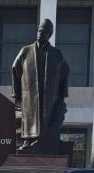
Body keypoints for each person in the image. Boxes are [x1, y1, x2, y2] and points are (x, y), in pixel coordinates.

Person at [11, 19, 70, 155]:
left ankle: (43, 142)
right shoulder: (26, 51)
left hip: (49, 96)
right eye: (39, 29)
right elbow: (15, 68)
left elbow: (65, 71)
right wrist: (18, 93)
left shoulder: (56, 54)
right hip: (30, 94)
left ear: (49, 34)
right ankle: (28, 141)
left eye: (43, 30)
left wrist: (61, 95)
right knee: (29, 118)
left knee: (45, 121)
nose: (40, 32)